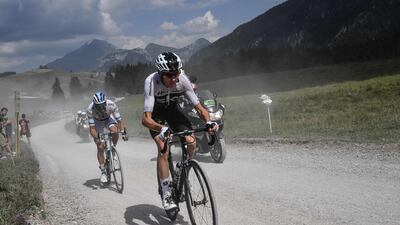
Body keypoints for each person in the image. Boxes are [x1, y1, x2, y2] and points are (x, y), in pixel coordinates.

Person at [141, 52, 219, 211]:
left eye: (177, 73)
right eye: (170, 75)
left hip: (173, 110)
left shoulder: (182, 79)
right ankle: (166, 191)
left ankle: (179, 170)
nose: (175, 78)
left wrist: (209, 121)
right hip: (156, 115)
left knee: (191, 142)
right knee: (163, 149)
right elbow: (146, 119)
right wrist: (161, 128)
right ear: (161, 74)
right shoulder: (151, 82)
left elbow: (199, 107)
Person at [86, 91, 128, 183]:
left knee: (114, 131)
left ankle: (113, 148)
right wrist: (97, 138)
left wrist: (123, 132)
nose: (101, 107)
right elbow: (92, 128)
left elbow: (119, 121)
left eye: (102, 105)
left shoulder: (111, 104)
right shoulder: (90, 109)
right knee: (100, 147)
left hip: (108, 119)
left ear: (105, 102)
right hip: (97, 122)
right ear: (94, 104)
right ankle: (103, 171)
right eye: (98, 106)